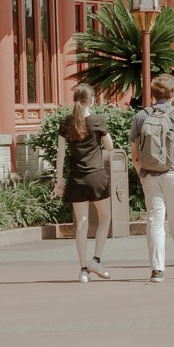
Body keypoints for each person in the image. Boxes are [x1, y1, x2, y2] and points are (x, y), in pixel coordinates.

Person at [129, 73, 174, 283]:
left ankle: (157, 270)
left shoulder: (141, 116)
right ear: (173, 93)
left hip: (149, 175)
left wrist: (141, 173)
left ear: (153, 93)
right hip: (173, 174)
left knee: (155, 221)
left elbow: (134, 152)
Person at [54, 83, 114, 283]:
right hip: (96, 176)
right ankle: (96, 259)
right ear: (93, 100)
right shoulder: (98, 121)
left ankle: (83, 270)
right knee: (105, 217)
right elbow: (110, 147)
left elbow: (60, 154)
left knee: (81, 223)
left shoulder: (66, 123)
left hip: (76, 178)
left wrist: (59, 180)